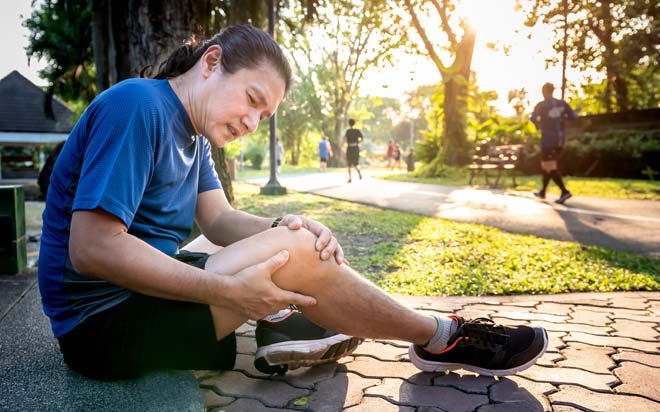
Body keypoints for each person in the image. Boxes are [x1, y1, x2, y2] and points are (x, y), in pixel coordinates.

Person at [38, 24, 547, 381]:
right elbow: (94, 249)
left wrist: (286, 221)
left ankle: (296, 324)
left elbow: (218, 220)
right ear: (212, 61)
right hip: (102, 330)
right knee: (295, 255)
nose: (252, 123)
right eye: (253, 100)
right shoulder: (139, 106)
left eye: (266, 115)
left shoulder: (192, 137)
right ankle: (443, 336)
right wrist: (230, 290)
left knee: (298, 241)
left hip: (141, 303)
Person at [530, 82, 577, 204]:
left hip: (548, 140)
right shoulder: (562, 104)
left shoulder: (542, 105)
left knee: (549, 167)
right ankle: (543, 191)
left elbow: (533, 118)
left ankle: (564, 191)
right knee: (546, 166)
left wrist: (538, 125)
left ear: (544, 91)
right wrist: (561, 118)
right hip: (560, 140)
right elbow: (573, 117)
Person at [343, 118, 363, 183]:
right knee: (356, 164)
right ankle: (359, 172)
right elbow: (362, 138)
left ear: (349, 124)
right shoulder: (357, 131)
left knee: (349, 164)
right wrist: (358, 142)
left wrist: (345, 145)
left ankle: (350, 178)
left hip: (350, 148)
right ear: (354, 123)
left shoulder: (348, 131)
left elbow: (345, 139)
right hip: (356, 148)